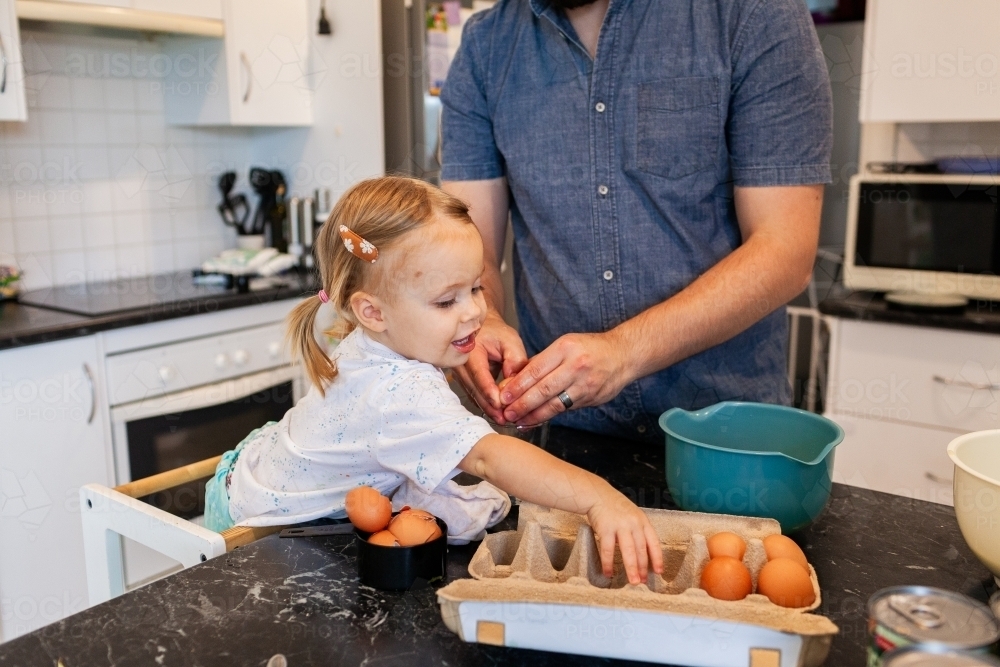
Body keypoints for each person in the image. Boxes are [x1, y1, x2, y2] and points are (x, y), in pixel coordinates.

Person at [203, 176, 663, 584]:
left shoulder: (374, 338)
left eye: (476, 288)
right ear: (373, 311)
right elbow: (489, 459)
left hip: (249, 467)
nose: (476, 312)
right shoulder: (399, 392)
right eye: (447, 302)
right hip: (255, 526)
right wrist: (599, 498)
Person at [440, 0, 833, 441]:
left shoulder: (752, 12)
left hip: (727, 436)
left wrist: (623, 351)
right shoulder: (485, 45)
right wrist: (484, 315)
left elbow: (785, 249)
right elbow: (468, 246)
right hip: (565, 432)